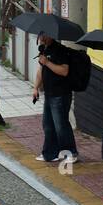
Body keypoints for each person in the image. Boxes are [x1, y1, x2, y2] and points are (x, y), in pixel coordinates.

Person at [32, 32, 78, 164]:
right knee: (48, 125)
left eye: (44, 35)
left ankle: (71, 152)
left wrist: (47, 62)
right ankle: (50, 153)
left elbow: (64, 71)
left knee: (61, 125)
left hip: (61, 93)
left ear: (51, 35)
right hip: (49, 93)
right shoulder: (44, 50)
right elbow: (41, 71)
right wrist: (35, 87)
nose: (41, 38)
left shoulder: (60, 50)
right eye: (40, 36)